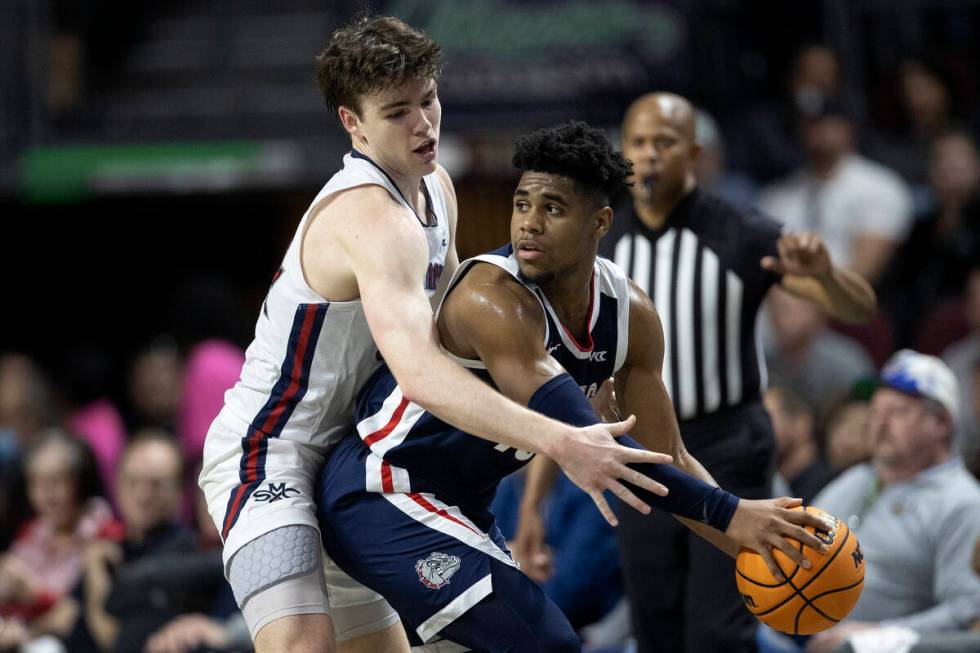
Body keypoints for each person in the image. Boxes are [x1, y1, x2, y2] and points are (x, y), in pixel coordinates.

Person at [197, 14, 672, 653]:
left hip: (351, 456)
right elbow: (422, 375)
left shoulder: (438, 191)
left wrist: (577, 381)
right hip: (268, 453)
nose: (423, 124)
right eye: (397, 112)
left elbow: (462, 342)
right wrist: (561, 438)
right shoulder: (368, 214)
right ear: (352, 123)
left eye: (429, 100)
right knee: (301, 644)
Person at [316, 121, 841, 651]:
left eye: (553, 209)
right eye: (522, 204)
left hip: (462, 506)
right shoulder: (491, 298)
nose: (530, 225)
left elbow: (668, 456)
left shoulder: (630, 313)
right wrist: (731, 513)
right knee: (548, 643)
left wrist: (750, 543)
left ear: (600, 222)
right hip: (383, 489)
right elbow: (589, 440)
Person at [572, 92, 876, 653]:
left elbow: (859, 308)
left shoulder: (741, 232)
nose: (650, 155)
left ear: (695, 153)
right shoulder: (603, 239)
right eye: (638, 143)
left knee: (718, 629)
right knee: (655, 624)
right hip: (644, 452)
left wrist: (829, 275)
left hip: (728, 445)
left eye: (664, 143)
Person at [797, 350, 980, 653]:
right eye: (875, 412)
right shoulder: (855, 478)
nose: (879, 424)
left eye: (896, 412)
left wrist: (877, 636)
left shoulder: (963, 503)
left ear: (941, 422)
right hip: (798, 634)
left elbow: (967, 609)